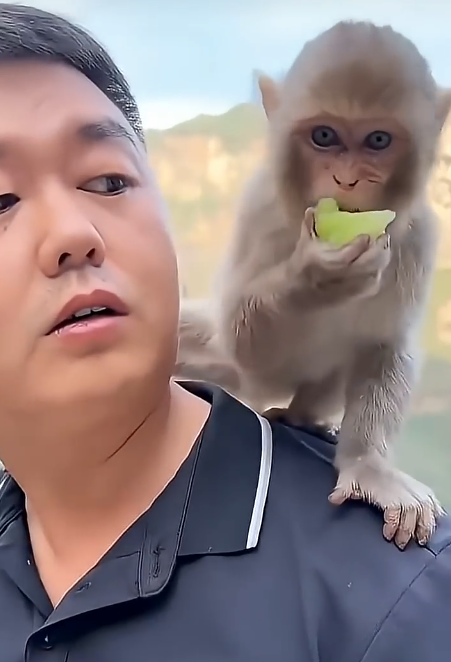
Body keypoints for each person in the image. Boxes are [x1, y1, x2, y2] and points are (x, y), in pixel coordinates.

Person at [0, 4, 449, 661]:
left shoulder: (396, 606)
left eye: (108, 180)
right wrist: (299, 284)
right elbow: (245, 338)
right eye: (1, 200)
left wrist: (365, 456)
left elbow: (386, 350)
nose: (73, 232)